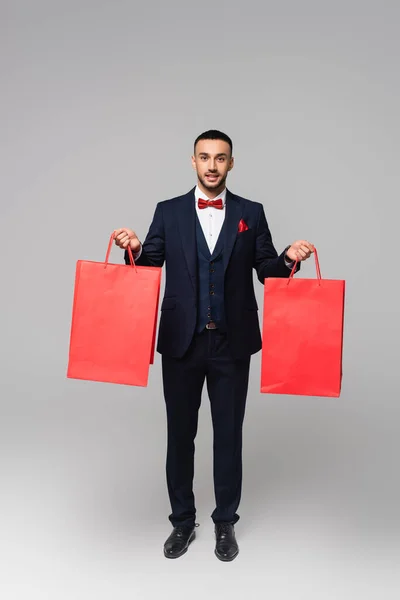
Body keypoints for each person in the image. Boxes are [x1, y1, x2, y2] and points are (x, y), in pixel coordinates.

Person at [114, 130, 313, 562]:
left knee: (228, 437)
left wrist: (290, 257)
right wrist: (133, 248)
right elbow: (148, 267)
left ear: (231, 164)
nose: (211, 165)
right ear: (192, 161)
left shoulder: (250, 212)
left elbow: (267, 270)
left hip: (231, 343)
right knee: (179, 437)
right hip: (181, 344)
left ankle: (226, 523)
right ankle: (182, 523)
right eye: (204, 157)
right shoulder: (167, 212)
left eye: (220, 158)